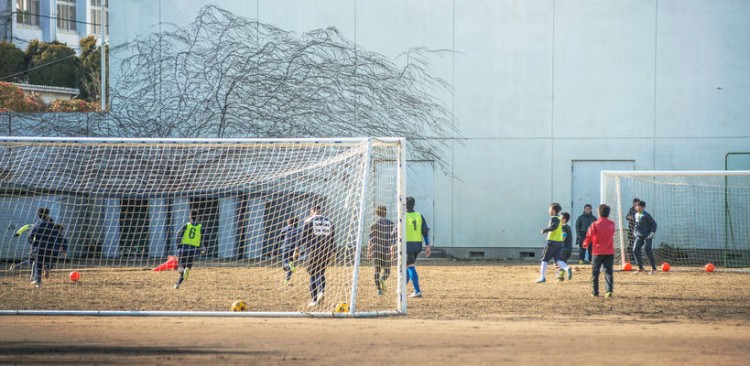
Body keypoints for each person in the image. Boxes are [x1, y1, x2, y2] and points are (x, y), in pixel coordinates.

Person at [301, 205, 335, 307]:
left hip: (313, 250)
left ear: (312, 211)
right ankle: (322, 291)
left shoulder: (309, 220)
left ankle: (314, 300)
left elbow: (303, 236)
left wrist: (297, 249)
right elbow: (332, 237)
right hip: (326, 250)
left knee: (312, 273)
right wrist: (334, 252)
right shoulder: (329, 221)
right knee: (321, 272)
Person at [583, 204, 616, 298]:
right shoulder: (612, 224)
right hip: (609, 251)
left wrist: (585, 243)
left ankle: (595, 291)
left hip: (597, 251)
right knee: (608, 272)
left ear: (598, 212)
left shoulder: (595, 224)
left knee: (595, 272)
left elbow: (589, 235)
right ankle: (608, 291)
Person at [537, 202, 572, 283]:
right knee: (558, 260)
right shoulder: (559, 219)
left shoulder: (555, 218)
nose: (548, 210)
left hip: (552, 242)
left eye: (549, 208)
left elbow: (554, 227)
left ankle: (542, 277)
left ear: (553, 210)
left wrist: (545, 230)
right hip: (559, 243)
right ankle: (566, 268)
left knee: (544, 259)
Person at [368, 205, 396, 296]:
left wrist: (369, 251)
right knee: (387, 271)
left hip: (375, 250)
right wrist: (393, 249)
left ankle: (378, 290)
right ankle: (383, 279)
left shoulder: (373, 225)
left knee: (377, 270)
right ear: (385, 212)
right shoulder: (391, 224)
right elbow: (393, 239)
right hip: (386, 250)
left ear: (377, 213)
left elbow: (371, 240)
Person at [405, 197, 431, 298]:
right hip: (418, 245)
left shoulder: (403, 216)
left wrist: (393, 244)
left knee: (410, 266)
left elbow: (396, 231)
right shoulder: (419, 216)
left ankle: (417, 290)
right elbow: (425, 231)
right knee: (407, 266)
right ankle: (403, 288)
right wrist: (427, 245)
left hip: (408, 244)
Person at [173, 209, 206, 289]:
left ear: (190, 217)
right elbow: (203, 238)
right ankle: (178, 283)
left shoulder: (186, 225)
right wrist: (203, 247)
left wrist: (178, 244)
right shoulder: (201, 227)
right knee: (188, 267)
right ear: (198, 217)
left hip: (184, 248)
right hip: (193, 250)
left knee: (181, 266)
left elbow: (178, 234)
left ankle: (179, 281)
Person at [27, 208, 57, 288]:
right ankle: (47, 265)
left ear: (38, 215)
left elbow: (30, 235)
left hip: (38, 247)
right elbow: (55, 235)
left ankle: (38, 281)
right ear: (47, 214)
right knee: (47, 259)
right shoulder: (51, 225)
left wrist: (32, 242)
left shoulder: (37, 224)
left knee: (38, 263)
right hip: (49, 246)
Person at [632, 200, 658, 274]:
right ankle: (640, 268)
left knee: (648, 249)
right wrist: (634, 231)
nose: (637, 207)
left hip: (647, 236)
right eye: (636, 206)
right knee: (635, 249)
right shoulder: (636, 215)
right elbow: (636, 225)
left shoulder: (646, 215)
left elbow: (654, 223)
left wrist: (652, 232)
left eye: (639, 206)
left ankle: (654, 268)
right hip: (639, 236)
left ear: (643, 207)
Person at [280, 217, 301, 285]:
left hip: (285, 248)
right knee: (291, 264)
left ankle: (288, 267)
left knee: (286, 263)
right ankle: (286, 280)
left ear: (288, 222)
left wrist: (275, 250)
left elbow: (279, 239)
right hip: (293, 250)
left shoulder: (284, 229)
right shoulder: (298, 230)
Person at [625, 198, 641, 263]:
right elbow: (627, 217)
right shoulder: (631, 209)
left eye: (636, 203)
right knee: (631, 244)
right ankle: (631, 258)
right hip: (631, 230)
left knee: (638, 244)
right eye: (633, 203)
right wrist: (629, 217)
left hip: (639, 230)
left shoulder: (640, 210)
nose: (634, 205)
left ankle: (638, 258)